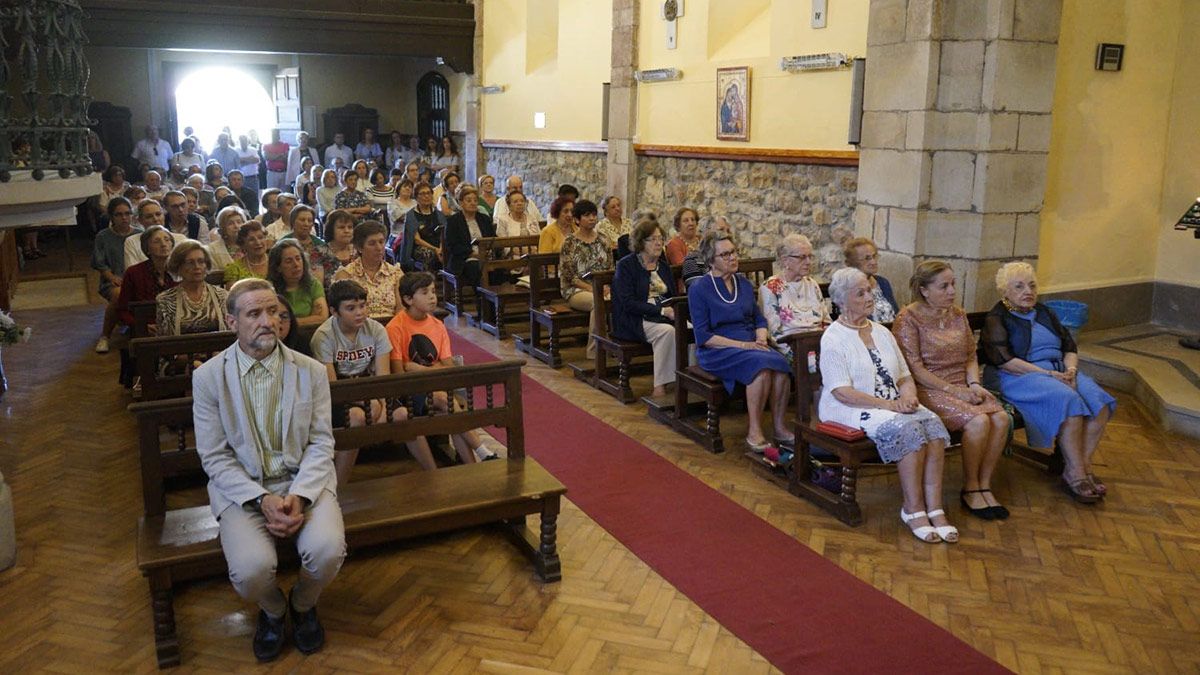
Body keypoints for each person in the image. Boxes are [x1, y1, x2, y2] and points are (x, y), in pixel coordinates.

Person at [192, 279, 345, 661]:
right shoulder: (209, 378)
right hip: (243, 489)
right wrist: (262, 499)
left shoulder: (309, 370)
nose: (268, 321)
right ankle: (274, 609)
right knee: (250, 572)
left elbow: (321, 442)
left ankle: (303, 604)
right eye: (254, 313)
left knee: (327, 552)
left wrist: (300, 496)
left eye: (273, 311)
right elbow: (214, 456)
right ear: (232, 322)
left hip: (303, 482)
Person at [820, 267, 955, 543]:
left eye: (869, 291)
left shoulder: (882, 331)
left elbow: (904, 375)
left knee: (933, 427)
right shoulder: (833, 337)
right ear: (842, 301)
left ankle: (935, 507)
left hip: (893, 404)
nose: (870, 297)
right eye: (861, 293)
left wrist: (908, 396)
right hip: (851, 409)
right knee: (909, 431)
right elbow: (842, 392)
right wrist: (890, 405)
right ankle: (913, 509)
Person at [979, 262, 1117, 504]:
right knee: (1068, 399)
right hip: (1018, 376)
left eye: (1032, 285)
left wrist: (1071, 370)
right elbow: (1005, 361)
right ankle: (1076, 473)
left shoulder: (1045, 312)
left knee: (1100, 402)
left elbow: (1069, 346)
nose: (1028, 291)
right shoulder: (997, 317)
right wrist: (1049, 375)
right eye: (1019, 286)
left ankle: (1082, 465)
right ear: (1004, 291)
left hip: (1060, 371)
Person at [894, 261, 1011, 519]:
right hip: (928, 388)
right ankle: (970, 487)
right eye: (944, 286)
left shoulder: (957, 314)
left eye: (953, 284)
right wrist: (955, 392)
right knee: (979, 421)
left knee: (1001, 418)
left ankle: (984, 484)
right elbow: (914, 368)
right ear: (924, 290)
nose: (951, 291)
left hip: (962, 384)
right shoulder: (908, 318)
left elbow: (970, 355)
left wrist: (974, 384)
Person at [310, 280, 435, 483]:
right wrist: (368, 403)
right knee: (357, 417)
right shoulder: (324, 336)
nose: (360, 313)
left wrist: (381, 405)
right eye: (351, 308)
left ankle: (433, 474)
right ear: (334, 311)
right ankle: (338, 487)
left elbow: (382, 378)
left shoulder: (376, 329)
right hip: (341, 396)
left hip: (372, 390)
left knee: (403, 414)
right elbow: (333, 387)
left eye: (362, 306)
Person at [688, 231, 793, 452]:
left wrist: (761, 337)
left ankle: (779, 427)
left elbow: (758, 319)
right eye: (725, 254)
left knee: (780, 364)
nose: (733, 257)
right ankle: (754, 431)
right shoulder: (699, 289)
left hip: (751, 346)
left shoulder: (743, 284)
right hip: (717, 350)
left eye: (733, 252)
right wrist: (744, 345)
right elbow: (703, 336)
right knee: (761, 367)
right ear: (711, 260)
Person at [386, 272, 499, 467]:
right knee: (445, 400)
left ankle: (474, 466)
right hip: (410, 392)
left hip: (437, 385)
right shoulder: (395, 327)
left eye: (433, 291)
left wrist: (417, 368)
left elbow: (448, 367)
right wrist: (429, 369)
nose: (432, 297)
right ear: (408, 299)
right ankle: (483, 451)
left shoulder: (437, 325)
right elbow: (399, 373)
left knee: (450, 411)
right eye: (425, 292)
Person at [612, 218, 678, 397]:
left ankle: (687, 381)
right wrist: (662, 311)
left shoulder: (663, 266)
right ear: (640, 242)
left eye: (660, 238)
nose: (658, 243)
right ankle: (660, 386)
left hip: (663, 315)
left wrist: (673, 311)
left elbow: (672, 296)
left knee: (692, 330)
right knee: (667, 332)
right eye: (653, 239)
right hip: (634, 319)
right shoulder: (626, 265)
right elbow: (628, 303)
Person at [759, 234, 830, 360]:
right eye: (802, 257)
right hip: (793, 348)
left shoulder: (811, 284)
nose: (808, 262)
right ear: (785, 260)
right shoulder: (770, 287)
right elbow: (773, 334)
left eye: (809, 256)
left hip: (820, 344)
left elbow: (826, 321)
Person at [558, 200, 612, 359]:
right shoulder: (570, 242)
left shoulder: (603, 240)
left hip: (602, 288)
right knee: (598, 301)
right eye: (587, 215)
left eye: (594, 215)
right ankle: (595, 352)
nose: (592, 218)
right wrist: (592, 288)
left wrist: (607, 285)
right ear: (577, 219)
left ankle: (616, 345)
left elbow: (610, 267)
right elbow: (569, 275)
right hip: (576, 290)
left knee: (620, 299)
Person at [92, 197, 143, 353]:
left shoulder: (140, 234)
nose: (124, 218)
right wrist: (113, 277)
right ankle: (105, 336)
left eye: (127, 213)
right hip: (114, 279)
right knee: (118, 294)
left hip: (136, 278)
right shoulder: (103, 236)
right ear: (111, 217)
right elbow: (100, 263)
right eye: (119, 214)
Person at [333, 221, 404, 321]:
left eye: (381, 242)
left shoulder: (395, 273)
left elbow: (401, 308)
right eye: (372, 243)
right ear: (359, 248)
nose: (379, 248)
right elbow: (345, 313)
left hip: (392, 325)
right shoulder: (345, 275)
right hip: (358, 326)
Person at [155, 241, 228, 336]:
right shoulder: (165, 300)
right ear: (178, 267)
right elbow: (163, 340)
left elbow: (230, 334)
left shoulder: (222, 296)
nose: (197, 267)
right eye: (190, 263)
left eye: (201, 261)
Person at [117, 226, 178, 331]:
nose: (163, 244)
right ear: (147, 249)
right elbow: (122, 310)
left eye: (167, 240)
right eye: (156, 241)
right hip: (145, 328)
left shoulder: (181, 270)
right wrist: (141, 326)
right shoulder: (133, 273)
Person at [443, 184, 496, 287]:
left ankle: (495, 295)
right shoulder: (453, 221)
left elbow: (493, 238)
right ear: (461, 203)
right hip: (464, 259)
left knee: (499, 270)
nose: (473, 203)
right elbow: (452, 245)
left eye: (475, 200)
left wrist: (488, 252)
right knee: (476, 268)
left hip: (486, 256)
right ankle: (481, 295)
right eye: (469, 200)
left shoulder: (484, 219)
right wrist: (472, 254)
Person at [268, 239, 328, 327]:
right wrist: (310, 318)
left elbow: (322, 318)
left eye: (298, 258)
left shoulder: (313, 284)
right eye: (289, 261)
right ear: (278, 267)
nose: (296, 264)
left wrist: (287, 321)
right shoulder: (269, 289)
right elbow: (271, 322)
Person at [843, 237, 898, 323]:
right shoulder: (849, 288)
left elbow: (896, 313)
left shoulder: (883, 282)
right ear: (852, 263)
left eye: (874, 256)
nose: (873, 262)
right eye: (867, 258)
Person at [282, 205, 339, 287]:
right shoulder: (283, 244)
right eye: (302, 220)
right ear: (293, 221)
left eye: (310, 221)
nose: (306, 224)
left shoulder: (321, 245)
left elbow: (333, 270)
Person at [124, 198, 189, 267]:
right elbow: (132, 270)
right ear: (140, 220)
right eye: (149, 216)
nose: (155, 219)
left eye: (158, 214)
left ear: (163, 215)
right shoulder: (132, 241)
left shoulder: (181, 239)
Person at [680, 216, 739, 288]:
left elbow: (738, 285)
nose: (726, 234)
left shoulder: (731, 257)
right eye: (721, 230)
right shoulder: (693, 260)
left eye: (728, 231)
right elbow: (697, 290)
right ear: (706, 233)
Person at [400, 182, 446, 271]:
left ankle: (448, 278)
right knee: (428, 254)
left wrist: (441, 248)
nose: (426, 196)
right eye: (422, 194)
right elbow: (417, 240)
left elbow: (444, 234)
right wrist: (435, 249)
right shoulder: (411, 215)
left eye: (429, 193)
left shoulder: (439, 214)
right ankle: (428, 278)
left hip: (439, 245)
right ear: (416, 197)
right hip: (421, 246)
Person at [225, 221, 271, 287]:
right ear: (243, 244)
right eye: (251, 240)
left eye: (260, 237)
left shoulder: (276, 262)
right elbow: (232, 293)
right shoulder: (235, 269)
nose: (258, 242)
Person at [236, 134, 261, 200]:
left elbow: (257, 160)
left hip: (253, 178)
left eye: (245, 141)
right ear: (239, 141)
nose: (243, 142)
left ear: (248, 141)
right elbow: (237, 161)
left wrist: (243, 160)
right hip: (240, 179)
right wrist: (249, 158)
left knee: (254, 197)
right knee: (242, 198)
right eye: (242, 141)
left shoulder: (253, 150)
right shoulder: (236, 150)